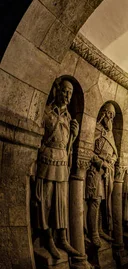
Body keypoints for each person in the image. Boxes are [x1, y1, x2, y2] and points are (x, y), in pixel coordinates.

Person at [34, 78, 82, 259]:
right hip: (47, 160)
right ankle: (47, 238)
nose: (67, 95)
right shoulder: (47, 111)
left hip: (62, 161)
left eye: (70, 93)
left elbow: (67, 148)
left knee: (60, 201)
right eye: (64, 91)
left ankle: (62, 238)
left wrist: (74, 136)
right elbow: (41, 138)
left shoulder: (69, 118)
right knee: (45, 201)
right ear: (57, 91)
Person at [86, 103, 118, 247]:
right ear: (103, 113)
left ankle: (99, 229)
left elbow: (115, 153)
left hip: (107, 172)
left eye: (113, 115)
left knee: (103, 202)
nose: (110, 117)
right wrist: (101, 162)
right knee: (95, 201)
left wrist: (112, 159)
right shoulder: (96, 129)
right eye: (109, 114)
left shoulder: (110, 133)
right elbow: (87, 151)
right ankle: (93, 233)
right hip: (96, 171)